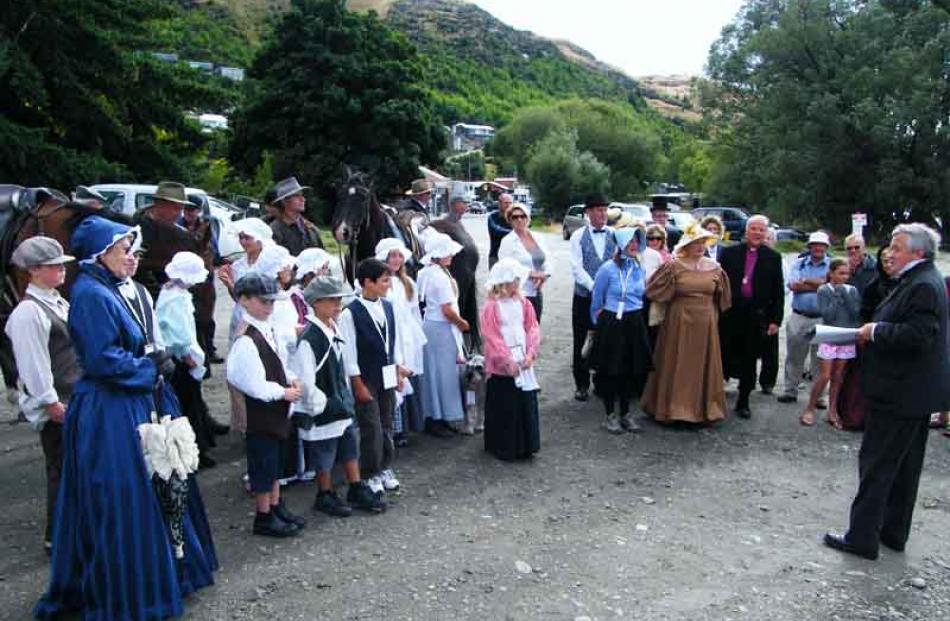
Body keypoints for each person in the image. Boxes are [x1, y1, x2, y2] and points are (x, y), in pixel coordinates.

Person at [35, 216, 217, 619]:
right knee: (125, 494)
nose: (131, 258)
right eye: (123, 251)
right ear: (100, 255)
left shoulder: (120, 288)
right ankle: (132, 587)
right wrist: (150, 367)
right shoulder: (89, 295)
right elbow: (101, 360)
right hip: (111, 407)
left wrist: (156, 360)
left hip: (138, 398)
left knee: (165, 480)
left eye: (133, 251)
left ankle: (169, 571)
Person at [824, 223, 950, 560]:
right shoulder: (920, 279)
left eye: (896, 247)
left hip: (900, 392)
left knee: (878, 465)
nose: (888, 254)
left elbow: (918, 335)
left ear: (918, 252)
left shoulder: (923, 284)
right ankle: (893, 532)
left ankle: (862, 537)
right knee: (904, 466)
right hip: (914, 393)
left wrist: (875, 330)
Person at [5, 237, 79, 555]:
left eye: (61, 264)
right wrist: (50, 402)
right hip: (58, 401)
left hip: (71, 395)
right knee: (60, 469)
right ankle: (56, 537)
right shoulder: (28, 313)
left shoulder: (56, 301)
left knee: (73, 467)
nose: (61, 270)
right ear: (34, 271)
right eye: (53, 266)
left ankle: (70, 531)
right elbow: (34, 364)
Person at [291, 276, 387, 516]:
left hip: (340, 401)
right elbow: (305, 378)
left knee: (348, 445)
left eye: (338, 299)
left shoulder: (334, 327)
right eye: (332, 300)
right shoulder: (309, 339)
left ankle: (355, 486)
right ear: (316, 303)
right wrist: (319, 404)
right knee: (324, 452)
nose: (337, 304)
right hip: (324, 406)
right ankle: (324, 493)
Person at [226, 272, 305, 538]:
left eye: (272, 302)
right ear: (244, 300)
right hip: (261, 412)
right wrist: (281, 392)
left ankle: (275, 504)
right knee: (263, 465)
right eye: (263, 301)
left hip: (277, 409)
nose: (269, 307)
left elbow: (280, 362)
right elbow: (249, 381)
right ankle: (263, 514)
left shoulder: (267, 328)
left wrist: (291, 380)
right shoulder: (246, 339)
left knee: (275, 463)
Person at [641, 225, 732, 424]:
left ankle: (702, 410)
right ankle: (672, 409)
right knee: (677, 361)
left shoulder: (715, 268)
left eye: (702, 242)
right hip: (678, 320)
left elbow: (724, 298)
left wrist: (713, 312)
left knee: (701, 364)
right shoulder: (674, 266)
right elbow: (653, 290)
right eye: (695, 242)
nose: (700, 246)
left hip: (705, 322)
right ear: (687, 245)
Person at [339, 259, 409, 496]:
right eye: (385, 280)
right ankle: (370, 471)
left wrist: (398, 369)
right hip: (366, 376)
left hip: (387, 372)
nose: (389, 285)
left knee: (387, 421)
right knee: (371, 425)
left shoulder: (388, 306)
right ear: (368, 282)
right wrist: (357, 383)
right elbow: (349, 353)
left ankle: (385, 466)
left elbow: (393, 341)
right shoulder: (350, 313)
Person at [156, 252, 219, 469]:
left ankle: (199, 443)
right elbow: (179, 332)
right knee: (188, 405)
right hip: (181, 357)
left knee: (191, 403)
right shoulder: (175, 299)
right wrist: (187, 355)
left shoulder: (172, 292)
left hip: (180, 354)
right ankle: (194, 451)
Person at [718, 215, 785, 418]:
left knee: (749, 360)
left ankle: (743, 401)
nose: (757, 233)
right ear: (746, 231)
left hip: (755, 315)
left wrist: (775, 320)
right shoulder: (729, 253)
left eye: (761, 230)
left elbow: (778, 291)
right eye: (754, 229)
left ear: (766, 233)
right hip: (730, 313)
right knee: (723, 355)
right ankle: (715, 399)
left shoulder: (773, 257)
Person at [589, 227, 653, 433]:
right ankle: (610, 414)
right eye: (630, 242)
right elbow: (597, 301)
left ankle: (626, 413)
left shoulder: (638, 268)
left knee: (630, 369)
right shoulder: (607, 269)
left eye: (636, 242)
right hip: (612, 322)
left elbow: (641, 295)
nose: (634, 245)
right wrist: (600, 325)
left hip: (634, 321)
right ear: (622, 244)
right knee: (611, 370)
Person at [480, 259, 541, 460]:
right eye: (514, 280)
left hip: (522, 356)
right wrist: (506, 360)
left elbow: (532, 328)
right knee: (505, 403)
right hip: (503, 362)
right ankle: (504, 445)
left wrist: (531, 352)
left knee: (524, 400)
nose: (518, 283)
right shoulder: (492, 306)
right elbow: (492, 335)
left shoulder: (524, 303)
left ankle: (526, 443)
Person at [418, 234, 469, 438]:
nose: (451, 256)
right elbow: (446, 309)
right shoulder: (439, 277)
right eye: (447, 252)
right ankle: (439, 417)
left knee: (434, 373)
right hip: (441, 327)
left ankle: (436, 415)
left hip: (433, 326)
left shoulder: (428, 272)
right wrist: (462, 323)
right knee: (443, 374)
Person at [376, 238, 427, 441]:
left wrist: (417, 336)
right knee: (393, 376)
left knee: (407, 374)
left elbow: (414, 312)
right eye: (392, 256)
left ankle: (406, 426)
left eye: (399, 256)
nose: (396, 260)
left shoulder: (407, 283)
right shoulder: (382, 283)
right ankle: (392, 428)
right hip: (391, 334)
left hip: (407, 334)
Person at [800, 258, 861, 429]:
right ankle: (810, 407)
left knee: (838, 376)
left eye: (846, 273)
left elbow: (855, 313)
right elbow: (828, 314)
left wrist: (845, 295)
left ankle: (832, 410)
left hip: (846, 335)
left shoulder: (852, 290)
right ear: (831, 273)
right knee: (825, 375)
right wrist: (837, 294)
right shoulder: (824, 290)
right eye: (840, 273)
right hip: (829, 334)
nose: (844, 277)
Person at [569, 194, 615, 402]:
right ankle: (581, 384)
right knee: (582, 339)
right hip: (584, 297)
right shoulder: (578, 235)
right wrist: (594, 286)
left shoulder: (614, 234)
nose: (602, 214)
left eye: (605, 210)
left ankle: (602, 382)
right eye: (598, 210)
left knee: (606, 339)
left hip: (608, 299)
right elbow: (576, 267)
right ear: (588, 212)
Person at [777, 231, 831, 405]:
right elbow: (793, 284)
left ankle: (819, 396)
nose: (818, 248)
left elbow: (831, 286)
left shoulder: (832, 264)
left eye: (821, 245)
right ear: (809, 247)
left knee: (820, 359)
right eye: (814, 244)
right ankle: (790, 390)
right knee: (794, 356)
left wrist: (806, 282)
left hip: (823, 318)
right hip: (799, 315)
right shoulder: (799, 263)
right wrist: (819, 283)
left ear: (826, 247)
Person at [498, 202, 552, 321]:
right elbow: (505, 268)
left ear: (528, 218)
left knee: (534, 331)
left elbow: (548, 259)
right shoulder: (507, 241)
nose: (519, 219)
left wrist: (545, 275)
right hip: (517, 294)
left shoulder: (538, 237)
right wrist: (530, 273)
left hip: (536, 293)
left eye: (523, 216)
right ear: (510, 220)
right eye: (515, 217)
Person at [269, 176, 324, 256]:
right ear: (284, 201)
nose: (303, 199)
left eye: (302, 195)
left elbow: (323, 257)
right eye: (297, 196)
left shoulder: (311, 229)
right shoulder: (275, 230)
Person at [758, 226, 781, 394]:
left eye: (769, 238)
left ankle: (767, 383)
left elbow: (782, 290)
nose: (766, 241)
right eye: (763, 238)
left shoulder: (777, 259)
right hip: (753, 310)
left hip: (770, 310)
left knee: (770, 352)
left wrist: (776, 319)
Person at [487, 192, 513, 268]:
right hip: (495, 256)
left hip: (512, 257)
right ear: (499, 204)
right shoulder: (492, 216)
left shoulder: (515, 217)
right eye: (506, 203)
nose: (508, 205)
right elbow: (496, 231)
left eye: (510, 203)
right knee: (495, 279)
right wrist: (515, 232)